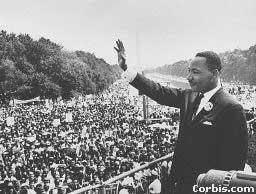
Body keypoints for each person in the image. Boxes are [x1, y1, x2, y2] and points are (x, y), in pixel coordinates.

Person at [114, 40, 248, 194]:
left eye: (195, 72)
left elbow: (234, 165)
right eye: (189, 71)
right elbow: (158, 92)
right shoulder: (188, 96)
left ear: (215, 74)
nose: (188, 77)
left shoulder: (231, 107)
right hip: (179, 185)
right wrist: (126, 68)